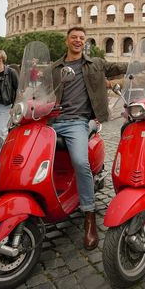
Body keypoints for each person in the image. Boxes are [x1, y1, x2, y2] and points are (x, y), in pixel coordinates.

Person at [51, 26, 128, 250]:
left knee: (81, 162)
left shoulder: (95, 64)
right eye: (74, 37)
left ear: (85, 43)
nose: (77, 41)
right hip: (52, 121)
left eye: (81, 38)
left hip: (77, 121)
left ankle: (88, 214)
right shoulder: (55, 67)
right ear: (67, 41)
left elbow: (120, 67)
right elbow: (42, 91)